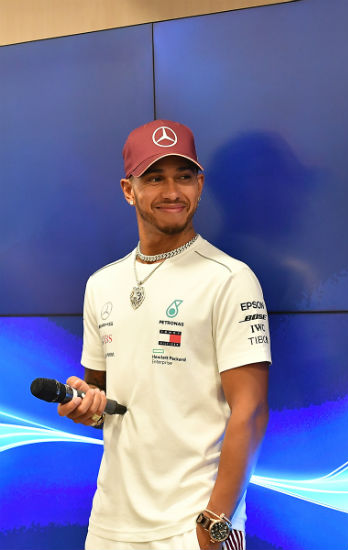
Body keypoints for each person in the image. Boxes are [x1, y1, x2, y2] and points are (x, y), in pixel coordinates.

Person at [58, 119, 271, 550]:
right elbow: (104, 402)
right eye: (155, 178)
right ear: (128, 189)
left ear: (200, 185)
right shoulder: (101, 285)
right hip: (110, 526)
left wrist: (214, 525)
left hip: (193, 526)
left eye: (184, 177)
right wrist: (86, 406)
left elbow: (251, 412)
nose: (172, 192)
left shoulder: (230, 279)